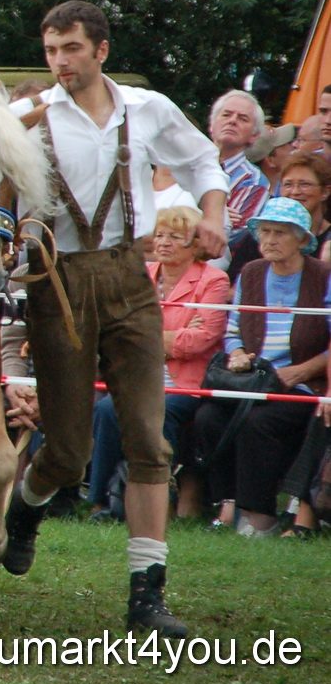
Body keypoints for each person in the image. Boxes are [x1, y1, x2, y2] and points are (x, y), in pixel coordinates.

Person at [3, 0, 228, 638]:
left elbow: (204, 162)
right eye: (50, 52)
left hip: (132, 277)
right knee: (69, 454)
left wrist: (212, 218)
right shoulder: (25, 117)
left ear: (101, 50)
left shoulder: (146, 108)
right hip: (58, 284)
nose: (60, 62)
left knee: (149, 441)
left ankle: (146, 597)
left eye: (70, 49)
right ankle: (26, 507)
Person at [192, 198, 328, 536]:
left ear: (301, 238)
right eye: (264, 231)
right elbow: (233, 327)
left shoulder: (323, 276)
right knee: (209, 416)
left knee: (259, 422)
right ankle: (226, 505)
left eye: (280, 233)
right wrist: (236, 353)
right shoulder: (250, 272)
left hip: (299, 384)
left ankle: (259, 513)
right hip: (253, 379)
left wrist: (301, 371)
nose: (268, 240)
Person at [86, 205, 229, 520]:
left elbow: (201, 339)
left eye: (176, 237)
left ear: (196, 246)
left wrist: (143, 337)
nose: (163, 242)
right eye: (161, 234)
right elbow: (114, 330)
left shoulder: (214, 281)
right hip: (138, 377)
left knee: (154, 412)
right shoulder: (139, 274)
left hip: (186, 386)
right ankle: (101, 502)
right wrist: (169, 337)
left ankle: (153, 501)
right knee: (107, 408)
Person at [226, 152, 331, 281]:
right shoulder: (260, 234)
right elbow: (232, 290)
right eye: (288, 184)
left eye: (305, 184)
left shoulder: (328, 238)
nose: (295, 192)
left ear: (325, 192)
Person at [208, 91, 269, 231]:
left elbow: (232, 235)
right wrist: (217, 214)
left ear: (254, 136)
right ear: (211, 126)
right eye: (226, 115)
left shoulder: (254, 181)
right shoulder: (186, 164)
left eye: (243, 118)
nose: (232, 121)